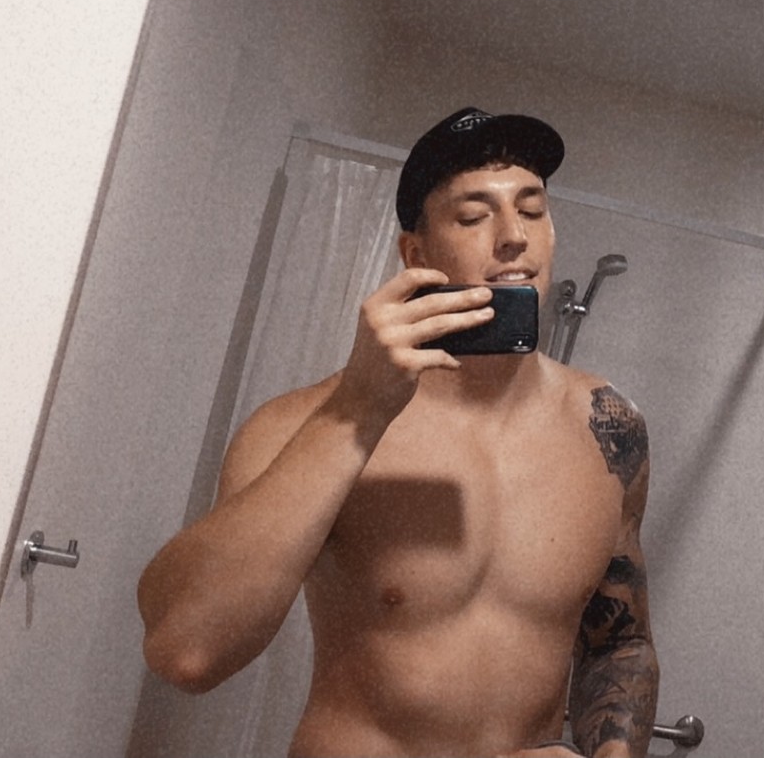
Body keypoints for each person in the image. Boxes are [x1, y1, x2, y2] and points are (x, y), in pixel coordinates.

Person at [137, 107, 659, 757]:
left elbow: (621, 640)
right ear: (416, 254)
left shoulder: (607, 427)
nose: (513, 236)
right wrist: (359, 407)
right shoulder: (308, 421)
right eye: (473, 216)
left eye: (532, 209)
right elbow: (187, 649)